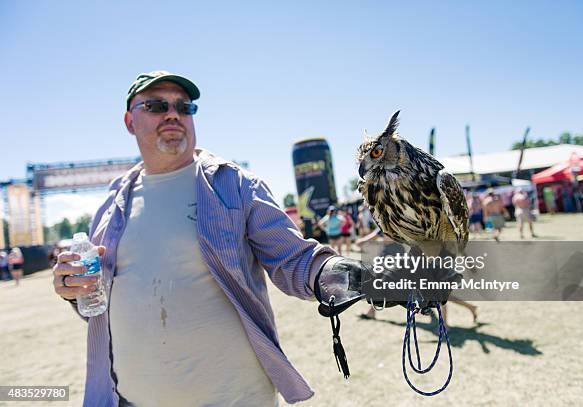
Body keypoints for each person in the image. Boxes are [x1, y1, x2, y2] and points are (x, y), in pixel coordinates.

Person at [52, 71, 373, 406]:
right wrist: (73, 292)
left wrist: (363, 278)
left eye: (184, 107)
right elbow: (99, 302)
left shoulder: (234, 184)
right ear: (129, 121)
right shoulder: (112, 203)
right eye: (157, 105)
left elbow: (296, 260)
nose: (173, 113)